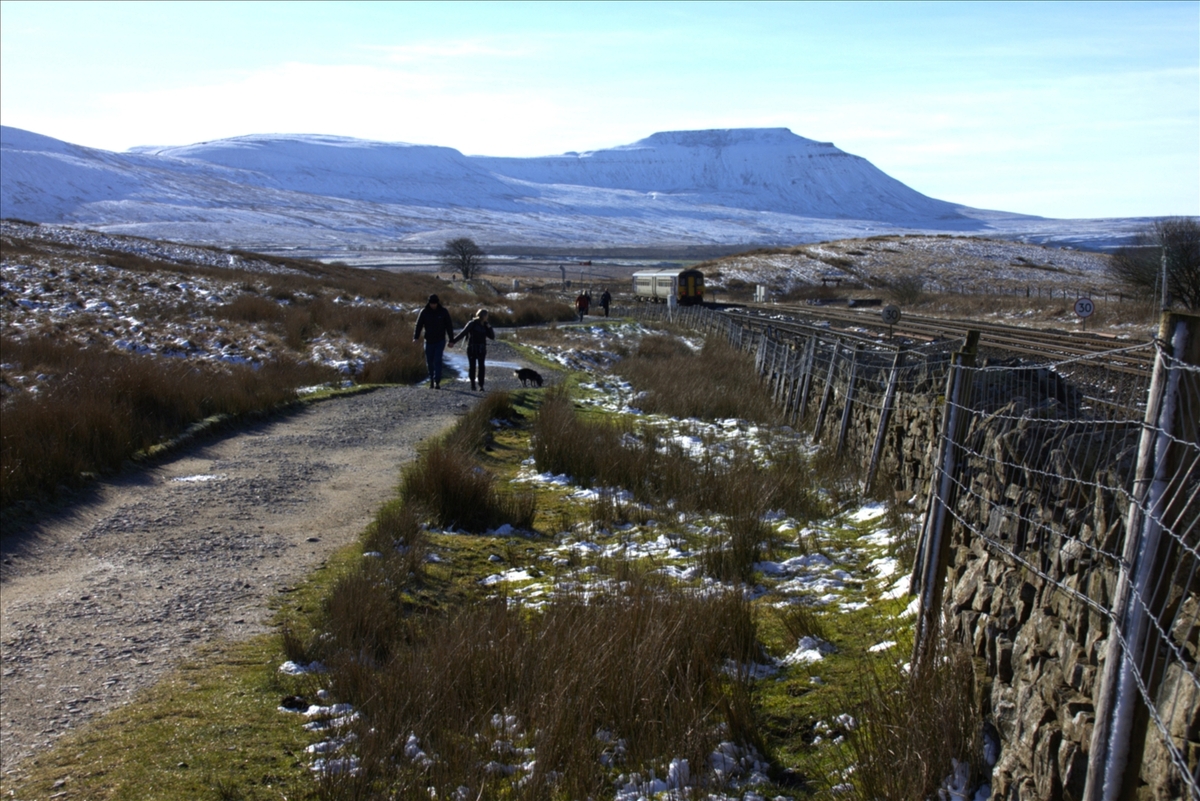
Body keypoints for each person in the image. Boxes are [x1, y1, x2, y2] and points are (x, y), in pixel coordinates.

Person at [412, 293, 455, 389]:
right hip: (428, 340)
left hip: (440, 340)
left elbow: (449, 326)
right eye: (431, 303)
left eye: (435, 303)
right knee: (429, 361)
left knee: (438, 360)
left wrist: (451, 340)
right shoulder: (424, 312)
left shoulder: (443, 312)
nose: (433, 305)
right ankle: (431, 378)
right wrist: (416, 337)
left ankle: (437, 381)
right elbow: (418, 325)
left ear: (437, 303)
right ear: (429, 303)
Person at [450, 308, 495, 391]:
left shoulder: (485, 325)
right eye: (486, 316)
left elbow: (492, 337)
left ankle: (481, 385)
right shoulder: (472, 323)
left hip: (481, 349)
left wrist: (489, 327)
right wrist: (453, 342)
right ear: (483, 316)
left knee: (481, 367)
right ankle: (473, 384)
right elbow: (463, 333)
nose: (487, 318)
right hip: (472, 348)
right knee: (472, 366)